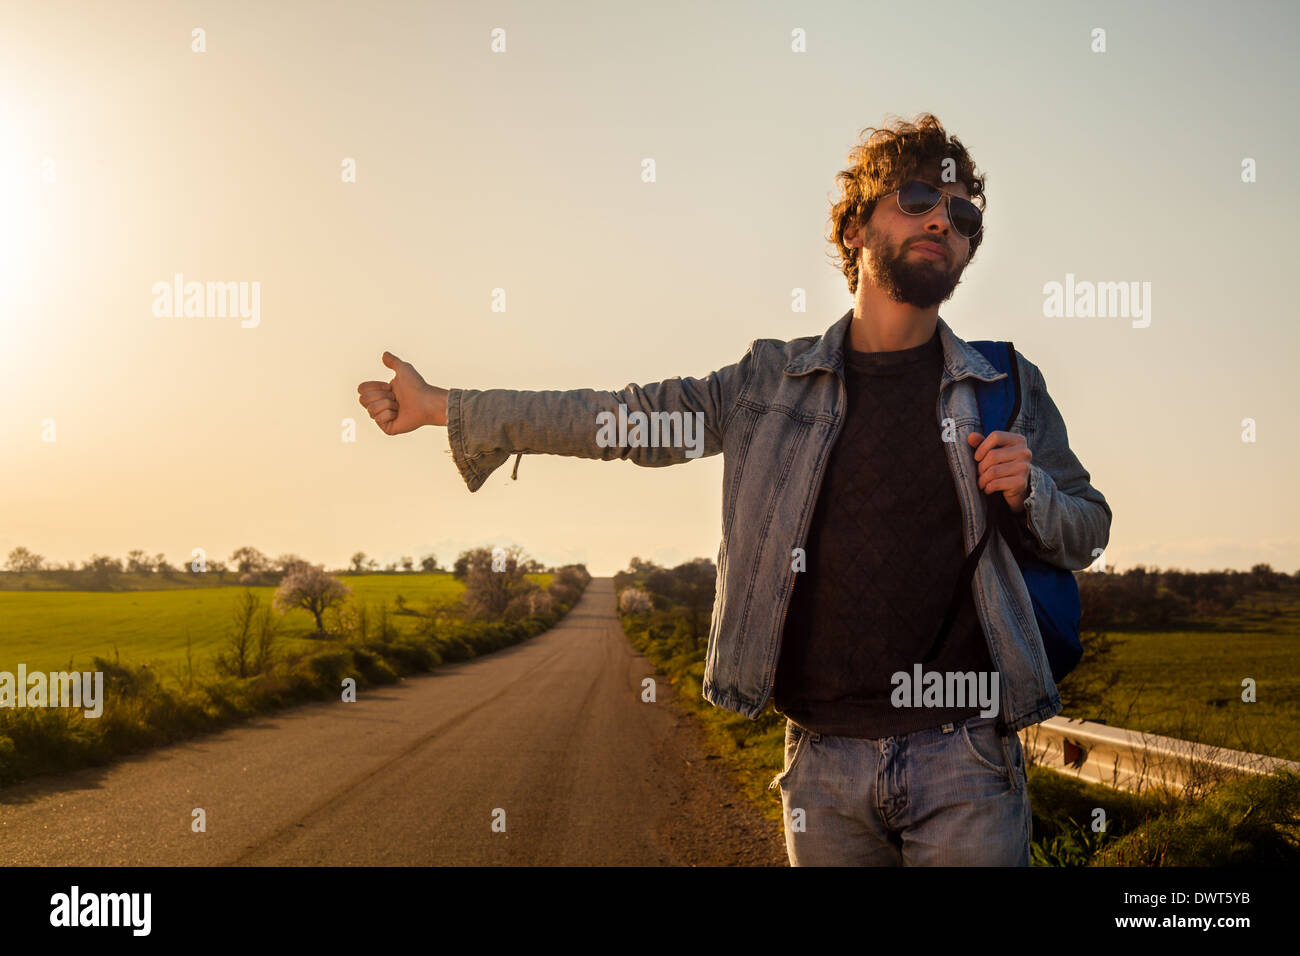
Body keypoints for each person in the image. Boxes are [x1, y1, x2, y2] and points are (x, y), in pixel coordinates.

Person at [355, 113, 1112, 866]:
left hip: (967, 760)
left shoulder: (1005, 385)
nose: (942, 220)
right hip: (823, 768)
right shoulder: (765, 385)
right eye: (917, 198)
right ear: (854, 229)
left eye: (963, 215)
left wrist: (1033, 491)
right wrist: (447, 408)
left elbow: (1089, 526)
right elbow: (624, 420)